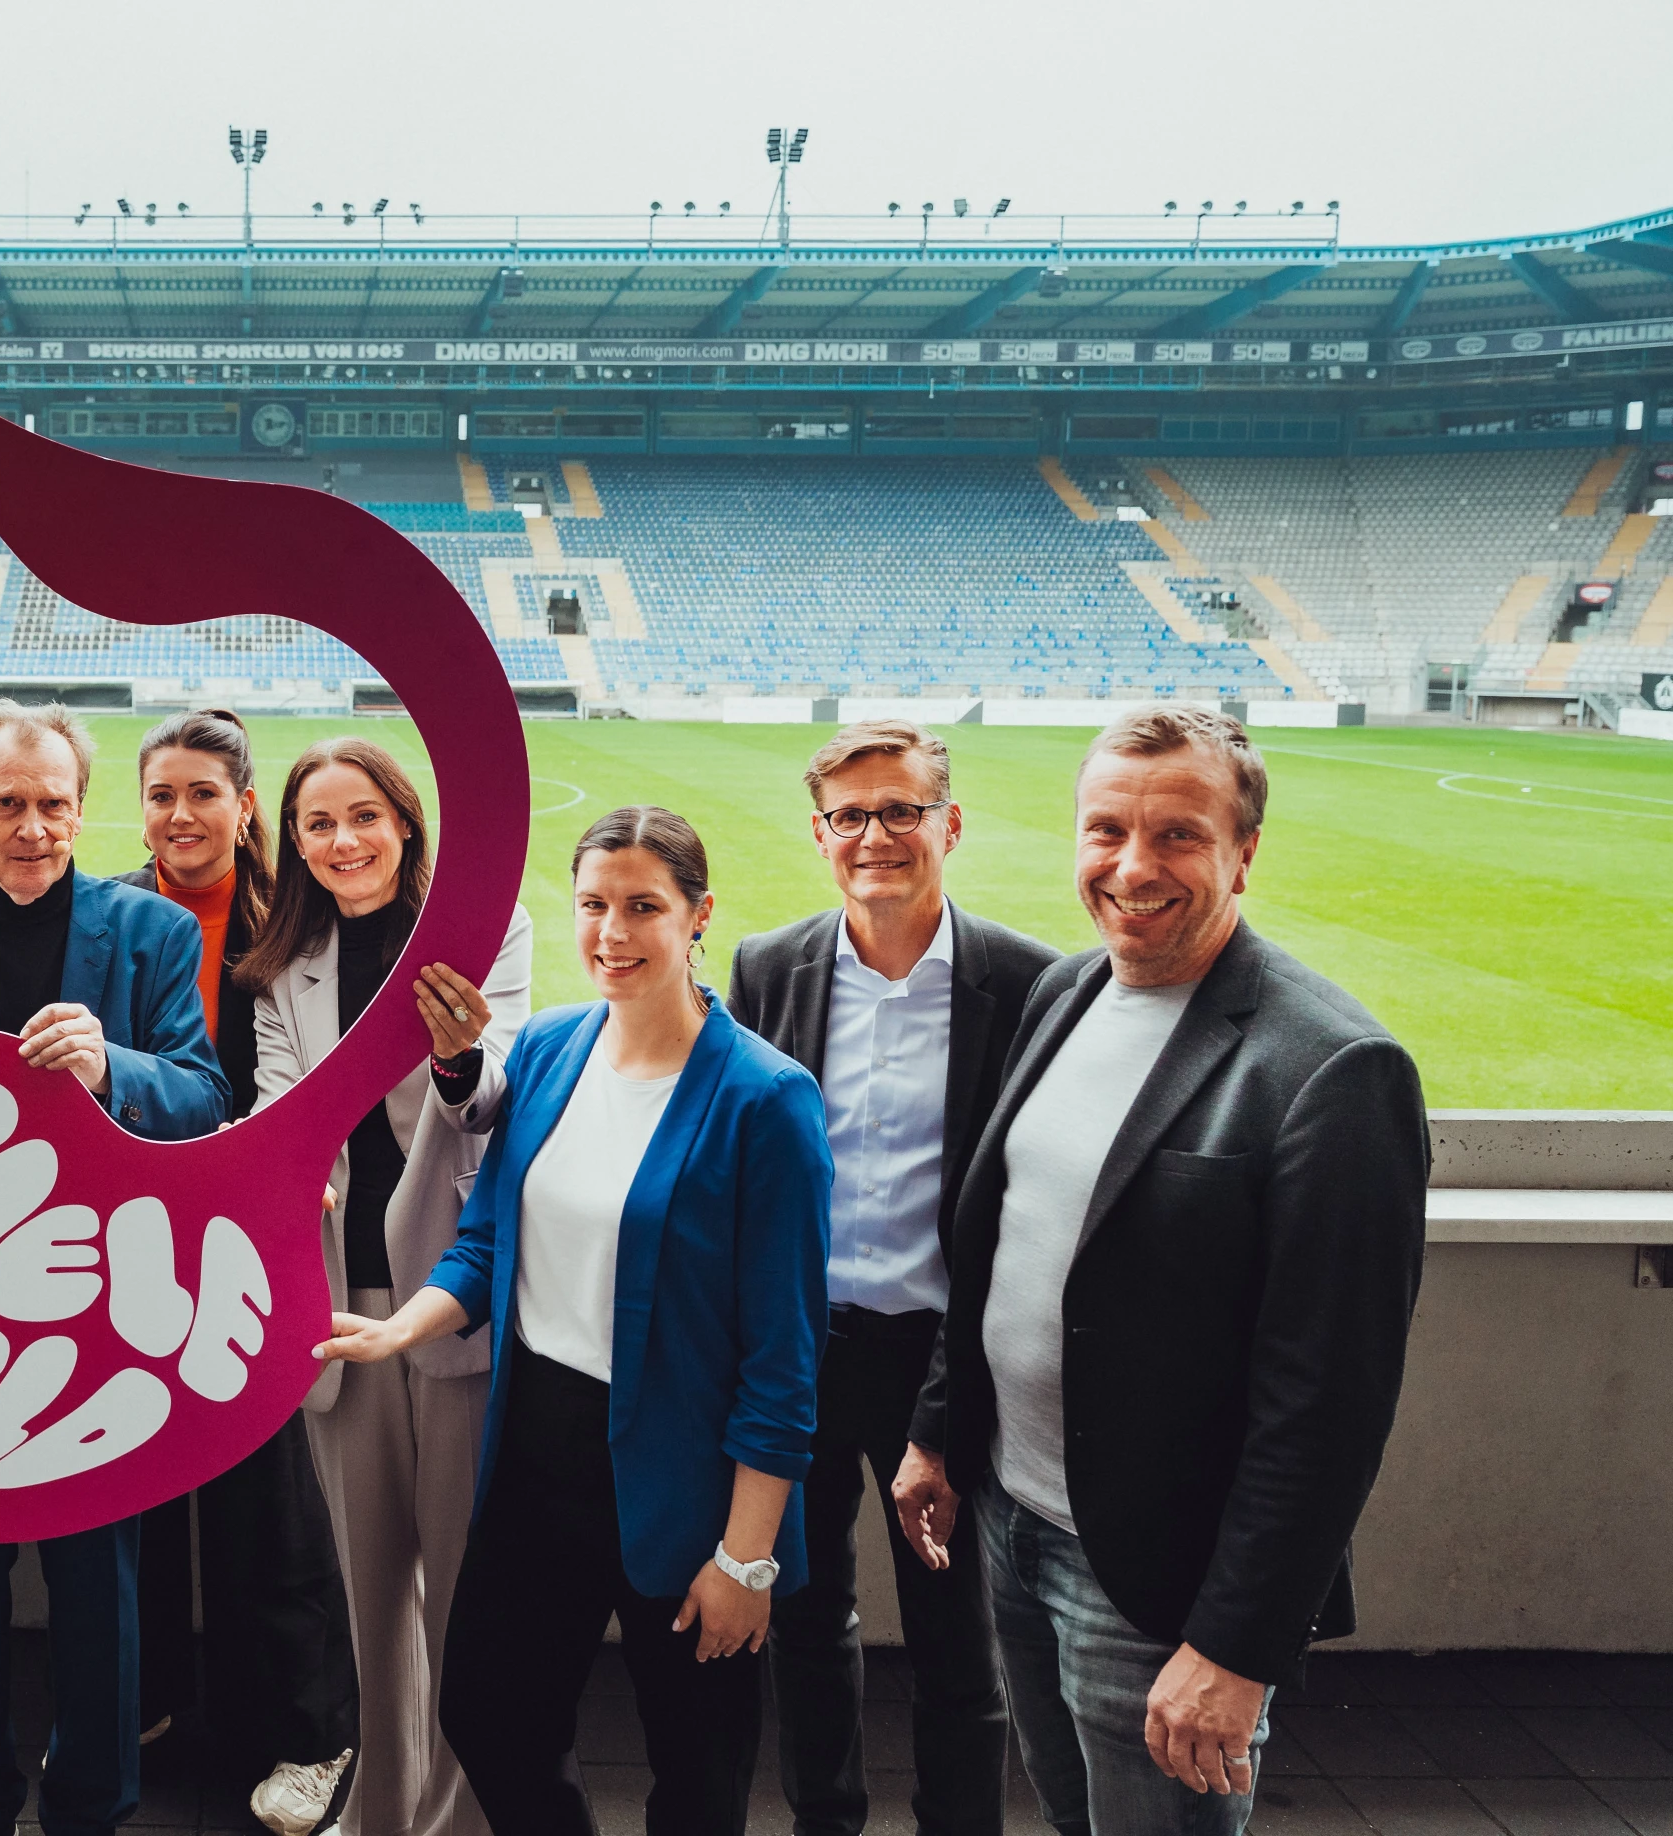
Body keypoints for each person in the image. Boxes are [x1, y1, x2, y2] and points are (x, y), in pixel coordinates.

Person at [890, 705, 1430, 1836]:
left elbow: (1327, 1407)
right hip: (1011, 1522)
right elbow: (998, 1241)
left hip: (1156, 1584)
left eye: (1178, 834)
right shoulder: (1066, 992)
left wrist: (1238, 1642)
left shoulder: (1333, 1066)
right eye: (1105, 831)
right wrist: (941, 1428)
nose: (1132, 867)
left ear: (1245, 852)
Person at [316, 807, 830, 1836]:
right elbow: (487, 1237)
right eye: (594, 904)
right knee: (488, 1713)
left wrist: (746, 1560)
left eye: (644, 906)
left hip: (687, 1477)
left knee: (698, 1774)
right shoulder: (551, 1044)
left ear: (700, 915)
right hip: (540, 1454)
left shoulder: (767, 1100)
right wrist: (397, 1328)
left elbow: (784, 1364)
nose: (612, 931)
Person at [0, 700, 230, 1836]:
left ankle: (92, 1803)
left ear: (84, 809)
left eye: (55, 804)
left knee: (98, 1591)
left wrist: (113, 1063)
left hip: (97, 1312)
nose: (33, 826)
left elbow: (208, 1100)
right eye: (9, 803)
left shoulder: (154, 934)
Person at [729, 723, 1054, 1836]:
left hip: (944, 1358)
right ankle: (828, 1820)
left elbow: (1026, 1213)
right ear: (820, 834)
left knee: (960, 1642)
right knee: (809, 1623)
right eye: (851, 815)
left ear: (948, 823)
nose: (877, 835)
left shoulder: (1029, 983)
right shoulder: (768, 966)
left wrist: (947, 1411)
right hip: (803, 1350)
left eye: (902, 809)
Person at [243, 737, 534, 1836]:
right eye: (317, 823)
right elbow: (283, 1113)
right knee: (371, 1597)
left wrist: (460, 1061)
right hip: (338, 1307)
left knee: (464, 1597)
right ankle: (381, 1814)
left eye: (364, 815)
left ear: (407, 822)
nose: (343, 841)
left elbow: (493, 1091)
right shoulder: (285, 963)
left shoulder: (482, 926)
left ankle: (458, 1822)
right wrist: (271, 1161)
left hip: (453, 1300)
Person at [114, 711, 361, 1836]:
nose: (181, 815)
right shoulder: (110, 912)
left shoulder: (293, 912)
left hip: (259, 1248)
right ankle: (156, 1696)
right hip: (128, 1246)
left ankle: (310, 1731)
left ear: (246, 803)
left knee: (275, 1500)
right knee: (144, 1481)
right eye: (161, 793)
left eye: (203, 792)